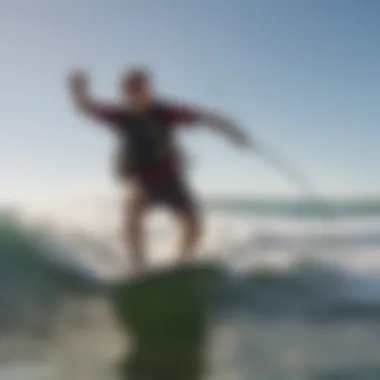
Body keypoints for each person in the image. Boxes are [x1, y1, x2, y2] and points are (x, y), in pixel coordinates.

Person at [67, 67, 251, 274]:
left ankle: (182, 261)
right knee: (131, 208)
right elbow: (87, 108)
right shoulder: (120, 116)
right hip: (140, 180)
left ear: (149, 89)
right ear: (125, 93)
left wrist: (233, 132)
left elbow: (204, 117)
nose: (138, 93)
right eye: (132, 89)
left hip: (170, 179)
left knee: (194, 221)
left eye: (142, 87)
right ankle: (138, 263)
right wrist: (77, 90)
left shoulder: (165, 113)